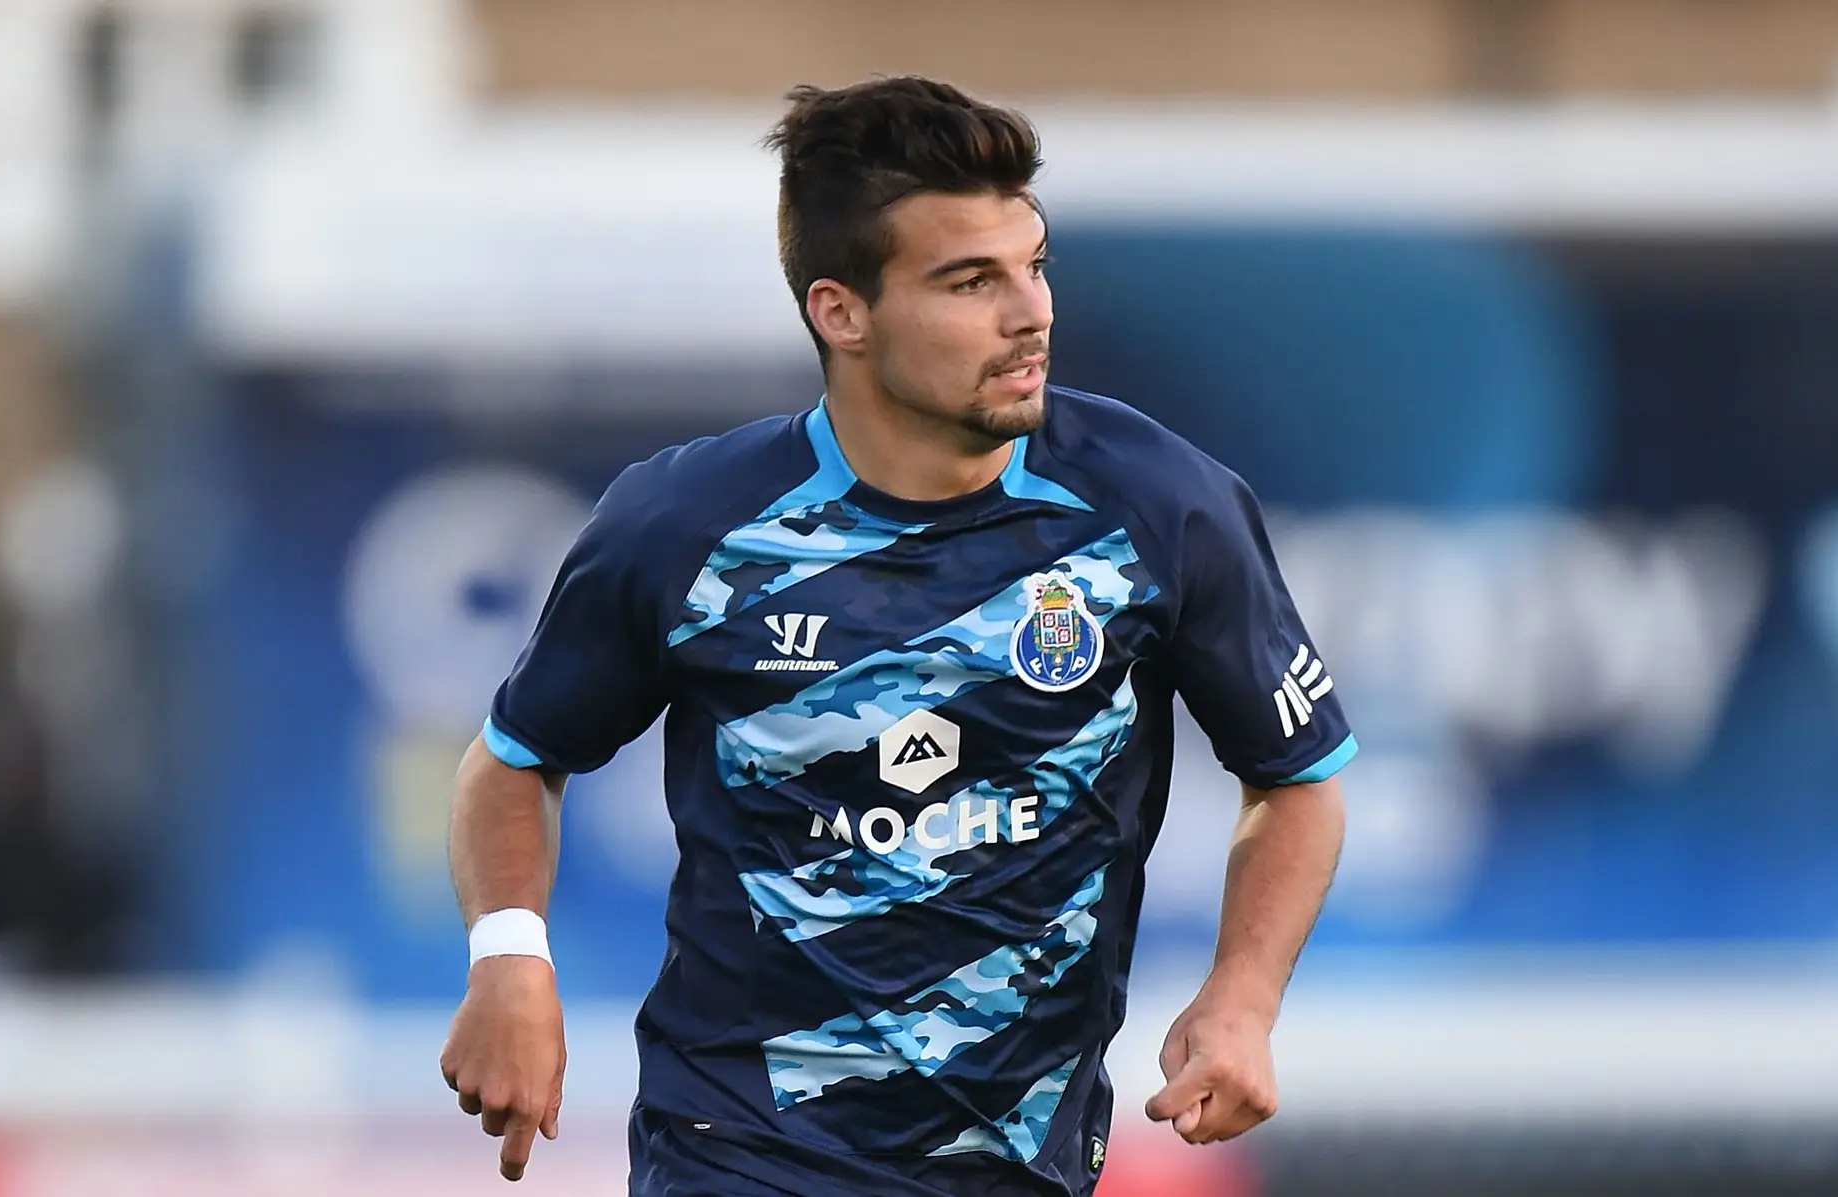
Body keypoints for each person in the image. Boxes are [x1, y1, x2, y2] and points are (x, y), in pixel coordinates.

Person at [439, 76, 1353, 1196]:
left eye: (1035, 263)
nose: (1031, 313)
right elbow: (516, 761)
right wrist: (510, 964)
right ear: (843, 311)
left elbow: (1296, 778)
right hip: (737, 1151)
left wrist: (1242, 999)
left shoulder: (1161, 507)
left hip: (1019, 1164)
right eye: (972, 281)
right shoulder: (683, 525)